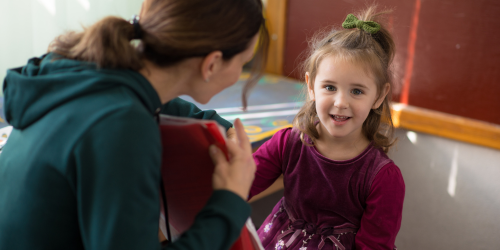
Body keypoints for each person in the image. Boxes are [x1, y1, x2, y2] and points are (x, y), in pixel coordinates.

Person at [0, 0, 269, 249]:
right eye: (243, 63)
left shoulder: (81, 71)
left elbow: (156, 103)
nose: (240, 75)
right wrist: (230, 203)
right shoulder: (123, 128)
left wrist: (217, 126)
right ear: (212, 64)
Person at [248, 6, 405, 250]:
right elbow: (238, 185)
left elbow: (375, 246)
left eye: (356, 91)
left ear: (378, 96)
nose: (340, 102)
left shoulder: (383, 178)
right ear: (311, 86)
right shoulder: (287, 143)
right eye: (330, 87)